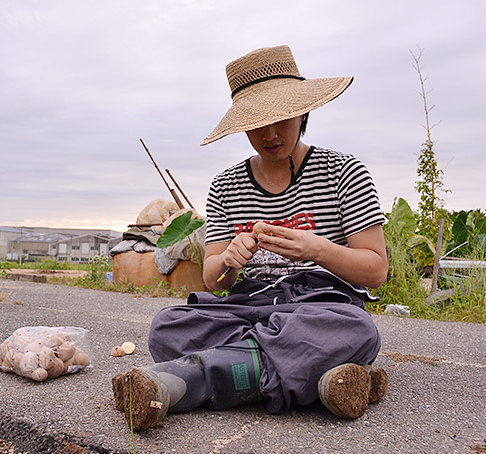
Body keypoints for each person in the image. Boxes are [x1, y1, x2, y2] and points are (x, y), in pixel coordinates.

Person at [112, 45, 389, 430]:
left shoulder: (343, 172)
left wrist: (318, 249)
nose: (270, 134)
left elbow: (375, 270)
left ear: (303, 112)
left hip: (317, 305)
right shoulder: (226, 185)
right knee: (167, 327)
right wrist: (229, 261)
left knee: (355, 328)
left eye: (282, 119)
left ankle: (196, 378)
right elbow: (214, 281)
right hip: (249, 305)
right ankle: (324, 381)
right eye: (256, 123)